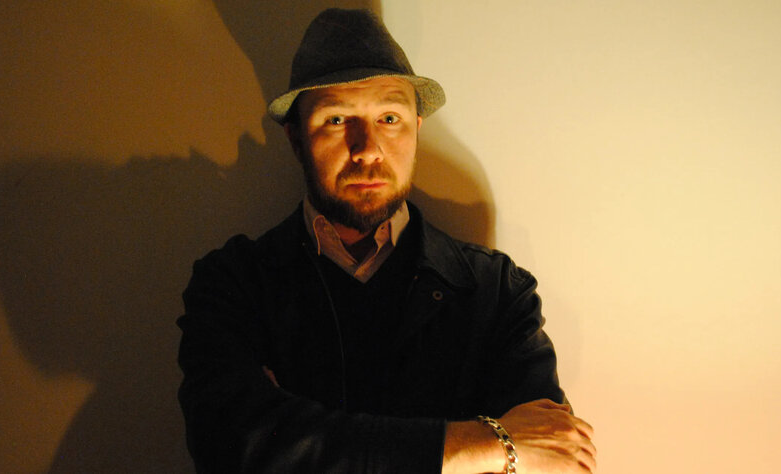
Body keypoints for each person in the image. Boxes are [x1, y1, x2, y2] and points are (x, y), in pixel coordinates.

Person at [177, 8, 596, 473]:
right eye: (337, 120)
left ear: (416, 128)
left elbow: (554, 459)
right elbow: (231, 446)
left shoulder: (496, 291)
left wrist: (297, 442)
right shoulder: (234, 284)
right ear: (296, 140)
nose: (368, 149)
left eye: (390, 118)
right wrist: (486, 443)